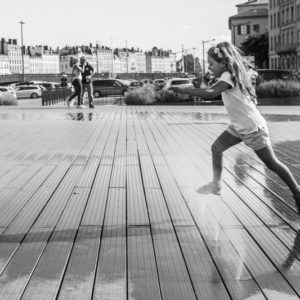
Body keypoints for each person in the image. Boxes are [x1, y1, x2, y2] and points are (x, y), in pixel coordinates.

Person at [170, 41, 300, 209]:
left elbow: (211, 93)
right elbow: (216, 88)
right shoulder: (230, 74)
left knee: (272, 163)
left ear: (224, 62)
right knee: (216, 148)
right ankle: (216, 184)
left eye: (211, 64)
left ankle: (297, 191)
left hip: (253, 129)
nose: (209, 68)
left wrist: (185, 90)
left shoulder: (228, 75)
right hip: (239, 126)